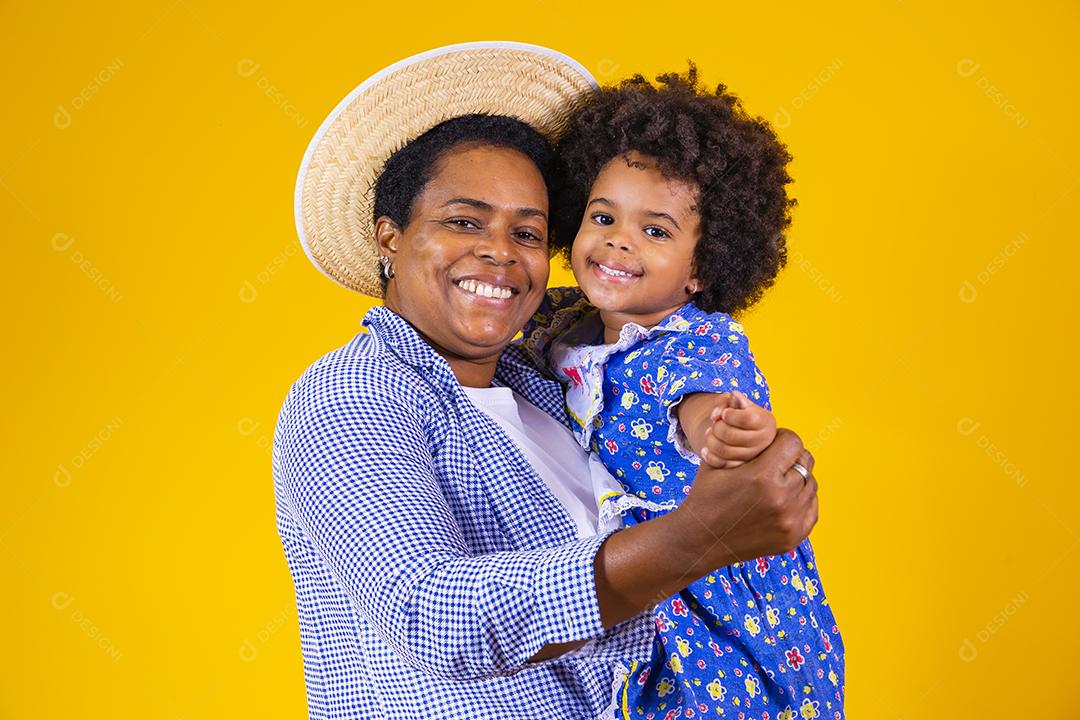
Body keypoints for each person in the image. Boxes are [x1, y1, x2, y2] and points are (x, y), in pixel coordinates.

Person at [275, 42, 819, 720]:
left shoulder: (556, 383)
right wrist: (696, 538)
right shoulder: (354, 394)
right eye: (464, 221)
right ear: (390, 237)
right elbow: (434, 614)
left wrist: (744, 470)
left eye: (528, 233)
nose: (500, 252)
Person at [517, 66, 844, 719]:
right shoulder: (561, 325)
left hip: (719, 597)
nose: (619, 238)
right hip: (640, 591)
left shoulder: (694, 342)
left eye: (656, 231)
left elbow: (699, 398)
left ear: (702, 268)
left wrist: (723, 428)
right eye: (603, 215)